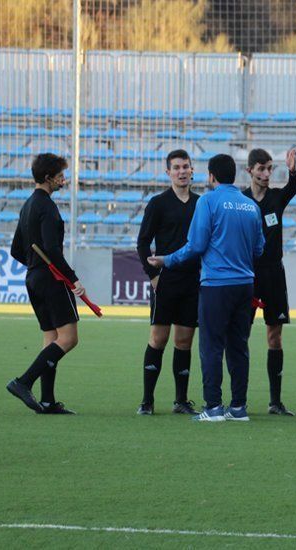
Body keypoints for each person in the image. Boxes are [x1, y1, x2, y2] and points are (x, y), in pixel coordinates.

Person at [148, 154, 264, 422]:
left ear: (211, 176)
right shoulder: (250, 206)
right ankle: (238, 407)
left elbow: (196, 246)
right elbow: (259, 248)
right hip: (245, 284)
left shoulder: (208, 201)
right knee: (238, 346)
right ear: (235, 175)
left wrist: (166, 259)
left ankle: (213, 407)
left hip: (216, 285)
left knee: (211, 346)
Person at [7, 153, 84, 415]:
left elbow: (16, 249)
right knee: (69, 339)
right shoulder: (48, 208)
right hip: (51, 279)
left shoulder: (28, 205)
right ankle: (23, 382)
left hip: (34, 278)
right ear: (49, 178)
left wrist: (35, 266)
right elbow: (52, 248)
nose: (64, 178)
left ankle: (48, 401)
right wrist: (73, 279)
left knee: (51, 338)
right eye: (61, 174)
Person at [135, 149, 200, 416]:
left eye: (186, 166)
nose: (182, 171)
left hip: (192, 282)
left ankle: (180, 400)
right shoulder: (158, 203)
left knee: (184, 341)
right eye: (176, 167)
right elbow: (142, 243)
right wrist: (153, 276)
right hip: (166, 282)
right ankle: (147, 400)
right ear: (168, 173)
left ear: (192, 170)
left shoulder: (201, 203)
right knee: (158, 339)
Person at [242, 148, 296, 416]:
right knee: (240, 335)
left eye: (269, 169)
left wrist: (292, 170)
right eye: (261, 169)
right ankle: (237, 398)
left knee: (274, 336)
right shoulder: (240, 201)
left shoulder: (277, 198)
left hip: (273, 274)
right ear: (250, 170)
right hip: (246, 274)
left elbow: (293, 187)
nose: (266, 174)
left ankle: (275, 402)